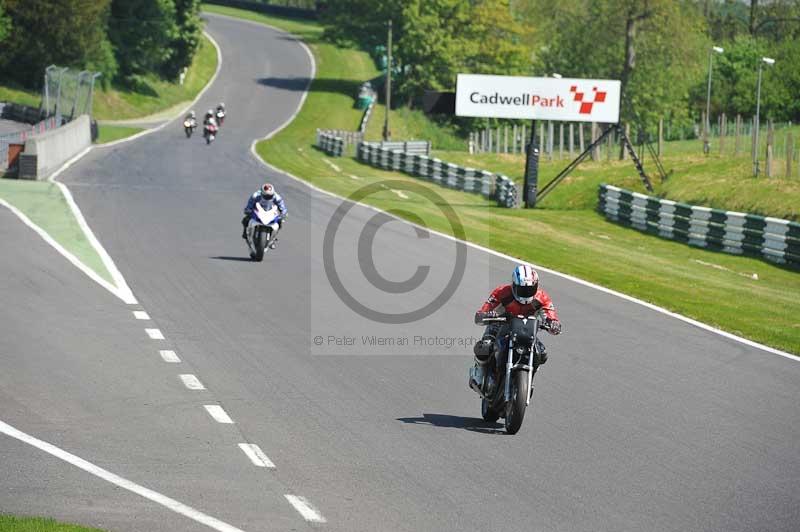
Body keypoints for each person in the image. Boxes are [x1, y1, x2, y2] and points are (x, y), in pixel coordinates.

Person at [473, 265, 562, 371]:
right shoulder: (502, 292)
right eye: (522, 289)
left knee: (542, 354)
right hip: (499, 326)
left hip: (526, 330)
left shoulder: (541, 298)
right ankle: (479, 374)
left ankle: (528, 380)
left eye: (529, 289)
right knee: (483, 349)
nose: (526, 293)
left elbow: (550, 314)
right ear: (514, 285)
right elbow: (483, 311)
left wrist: (553, 323)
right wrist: (486, 315)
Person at [241, 183, 287, 248]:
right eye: (266, 196)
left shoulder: (277, 197)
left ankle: (273, 239)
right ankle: (245, 233)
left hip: (270, 212)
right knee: (246, 219)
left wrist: (283, 214)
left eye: (270, 196)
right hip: (258, 211)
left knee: (279, 222)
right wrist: (248, 210)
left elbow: (283, 207)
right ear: (262, 193)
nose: (268, 198)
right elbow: (249, 205)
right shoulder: (255, 196)